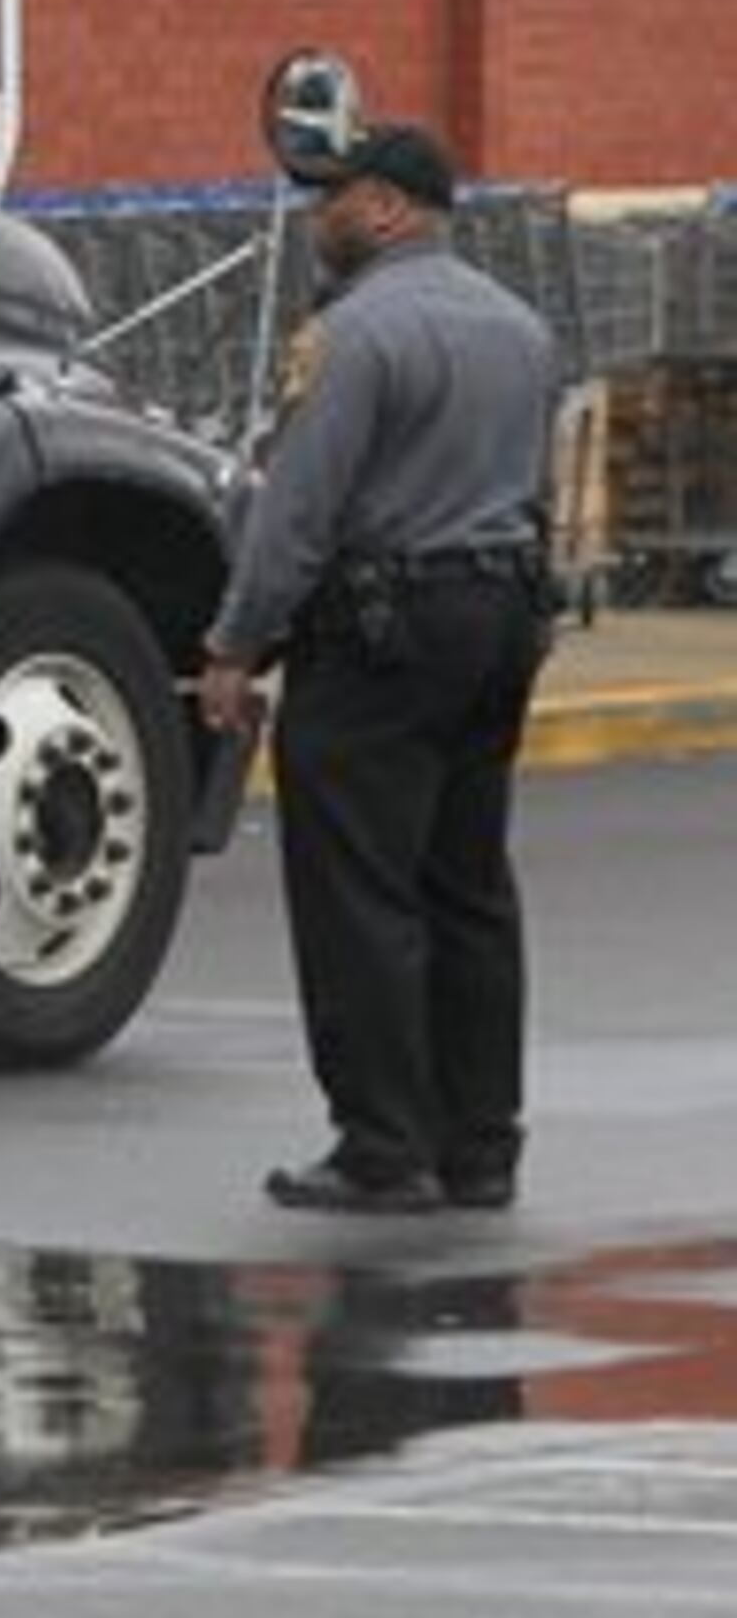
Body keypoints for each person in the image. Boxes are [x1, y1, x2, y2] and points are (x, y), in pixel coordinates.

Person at [198, 121, 560, 1215]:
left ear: (391, 208)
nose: (319, 220)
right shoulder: (522, 328)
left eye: (333, 200)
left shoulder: (352, 336)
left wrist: (235, 646)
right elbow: (532, 485)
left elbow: (298, 511)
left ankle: (382, 1145)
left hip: (385, 626)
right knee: (469, 884)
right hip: (502, 612)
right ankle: (481, 1144)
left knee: (361, 888)